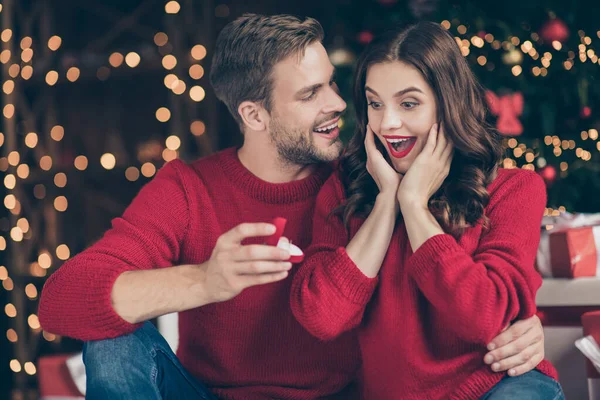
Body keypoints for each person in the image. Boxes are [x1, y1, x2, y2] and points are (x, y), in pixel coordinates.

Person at [39, 14, 547, 400]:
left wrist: (524, 321)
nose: (338, 105)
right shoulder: (189, 189)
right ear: (254, 114)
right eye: (311, 94)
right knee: (109, 343)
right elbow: (62, 300)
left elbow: (460, 287)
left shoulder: (360, 181)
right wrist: (204, 281)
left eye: (332, 83)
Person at [290, 21, 564, 400]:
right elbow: (322, 317)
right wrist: (388, 200)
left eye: (409, 103)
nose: (388, 123)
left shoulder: (514, 189)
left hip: (497, 386)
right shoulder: (343, 189)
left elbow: (485, 316)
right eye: (375, 103)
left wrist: (415, 206)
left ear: (447, 103)